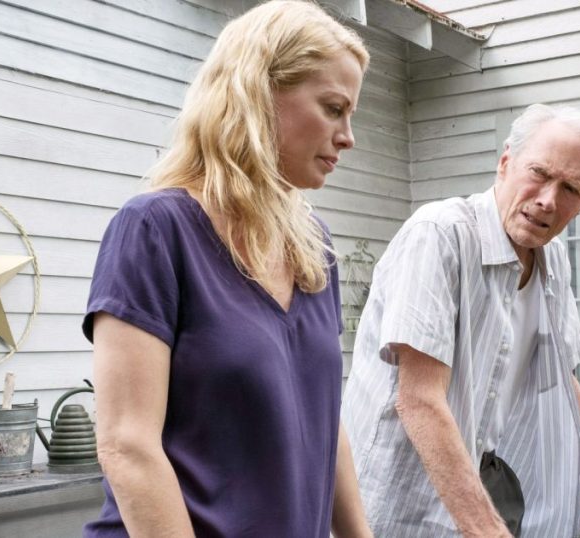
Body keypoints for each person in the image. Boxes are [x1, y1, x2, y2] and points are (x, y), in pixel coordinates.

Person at [341, 104, 580, 538]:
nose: (548, 200)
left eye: (570, 188)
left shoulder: (554, 259)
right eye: (539, 173)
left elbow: (566, 385)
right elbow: (419, 399)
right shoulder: (440, 234)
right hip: (392, 503)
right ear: (505, 163)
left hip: (478, 490)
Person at [81, 2, 372, 536]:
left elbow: (324, 425)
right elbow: (127, 445)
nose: (348, 136)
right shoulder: (156, 230)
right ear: (258, 93)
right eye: (333, 108)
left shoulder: (315, 249)